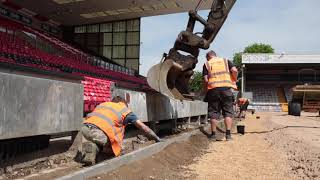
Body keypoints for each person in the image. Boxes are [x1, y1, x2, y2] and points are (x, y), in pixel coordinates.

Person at [81, 95, 162, 165]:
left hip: (85, 129)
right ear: (124, 104)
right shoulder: (125, 110)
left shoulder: (103, 104)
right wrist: (157, 138)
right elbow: (143, 127)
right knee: (116, 150)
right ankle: (95, 149)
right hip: (98, 133)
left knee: (102, 139)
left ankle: (93, 149)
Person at [203, 50, 238, 141]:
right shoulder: (226, 61)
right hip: (226, 89)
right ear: (215, 55)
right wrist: (234, 78)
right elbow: (234, 70)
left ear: (208, 57)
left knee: (214, 112)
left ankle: (213, 135)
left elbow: (206, 80)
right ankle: (228, 135)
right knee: (227, 112)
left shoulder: (207, 64)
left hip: (213, 90)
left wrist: (206, 90)